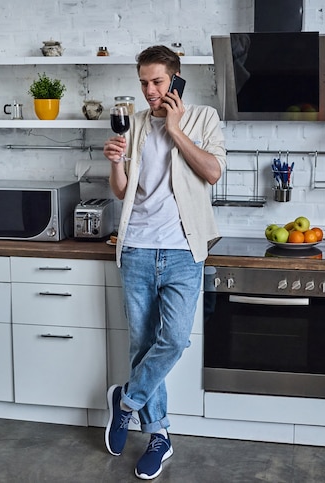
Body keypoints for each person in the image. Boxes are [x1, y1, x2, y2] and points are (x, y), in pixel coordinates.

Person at [102, 45, 226, 480]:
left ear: (175, 80)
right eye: (143, 82)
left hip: (182, 251)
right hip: (136, 248)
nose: (149, 90)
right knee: (141, 346)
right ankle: (159, 436)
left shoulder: (203, 118)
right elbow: (123, 193)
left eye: (156, 81)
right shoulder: (134, 124)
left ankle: (127, 402)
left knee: (172, 340)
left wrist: (174, 128)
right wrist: (115, 164)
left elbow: (212, 172)